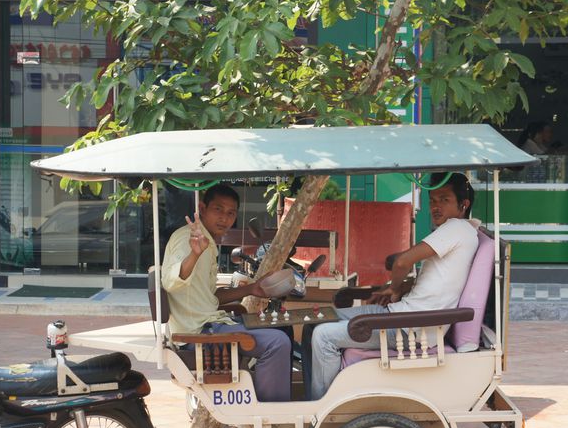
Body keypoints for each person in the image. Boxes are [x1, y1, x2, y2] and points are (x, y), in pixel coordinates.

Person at [309, 172, 479, 400]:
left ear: (463, 205)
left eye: (444, 200)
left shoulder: (456, 228)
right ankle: (313, 391)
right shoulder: (460, 232)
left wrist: (393, 288)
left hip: (408, 327)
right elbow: (427, 281)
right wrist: (398, 288)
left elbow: (402, 261)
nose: (435, 207)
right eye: (433, 201)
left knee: (322, 336)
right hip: (399, 315)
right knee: (316, 321)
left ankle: (320, 407)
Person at [161, 184, 292, 402]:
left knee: (284, 329)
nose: (224, 218)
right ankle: (271, 417)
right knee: (278, 342)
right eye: (218, 209)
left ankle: (278, 400)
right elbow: (171, 282)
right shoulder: (191, 240)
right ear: (202, 208)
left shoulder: (206, 241)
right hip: (199, 334)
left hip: (210, 323)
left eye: (231, 213)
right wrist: (194, 255)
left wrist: (252, 289)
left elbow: (209, 296)